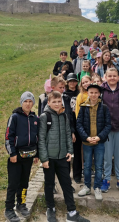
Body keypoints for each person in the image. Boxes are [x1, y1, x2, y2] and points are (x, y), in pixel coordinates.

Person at [39, 91, 90, 222]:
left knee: (67, 184)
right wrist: (44, 159)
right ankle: (50, 209)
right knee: (49, 184)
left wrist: (69, 151)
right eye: (54, 102)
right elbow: (41, 139)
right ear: (48, 103)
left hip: (62, 157)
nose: (57, 104)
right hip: (49, 158)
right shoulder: (45, 117)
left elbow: (68, 134)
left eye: (58, 101)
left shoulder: (65, 116)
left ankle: (72, 212)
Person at [4, 92, 40, 222]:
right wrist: (12, 153)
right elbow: (9, 136)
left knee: (24, 182)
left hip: (29, 156)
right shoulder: (14, 117)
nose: (28, 104)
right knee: (13, 183)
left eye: (30, 101)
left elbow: (37, 138)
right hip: (16, 156)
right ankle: (9, 209)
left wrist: (37, 154)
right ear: (21, 102)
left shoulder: (35, 119)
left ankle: (21, 203)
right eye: (26, 101)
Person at [76, 83, 112, 200]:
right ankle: (87, 186)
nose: (94, 95)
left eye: (96, 93)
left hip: (99, 143)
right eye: (91, 92)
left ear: (99, 94)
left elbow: (107, 125)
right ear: (88, 93)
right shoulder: (83, 106)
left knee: (99, 166)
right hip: (86, 143)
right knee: (87, 166)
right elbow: (79, 124)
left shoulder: (104, 107)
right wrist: (86, 137)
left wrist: (99, 137)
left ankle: (97, 187)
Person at [64, 73, 82, 184]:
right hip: (68, 124)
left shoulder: (80, 94)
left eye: (74, 81)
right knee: (67, 152)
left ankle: (77, 174)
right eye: (70, 81)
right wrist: (71, 130)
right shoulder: (64, 95)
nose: (72, 83)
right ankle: (66, 175)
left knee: (77, 151)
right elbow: (67, 113)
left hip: (79, 124)